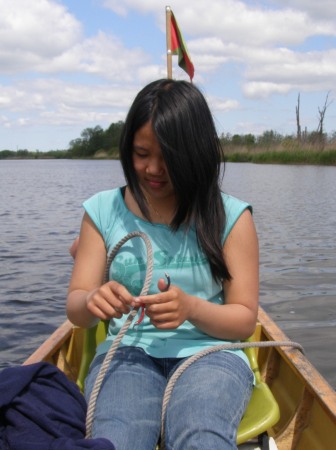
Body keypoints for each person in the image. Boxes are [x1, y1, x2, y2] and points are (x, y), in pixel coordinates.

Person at [66, 79, 259, 450]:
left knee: (201, 435)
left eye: (168, 156)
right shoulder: (102, 211)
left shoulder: (232, 217)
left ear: (196, 153)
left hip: (211, 356)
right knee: (118, 437)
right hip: (127, 355)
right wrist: (92, 301)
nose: (153, 169)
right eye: (141, 154)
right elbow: (76, 308)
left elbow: (244, 320)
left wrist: (191, 308)